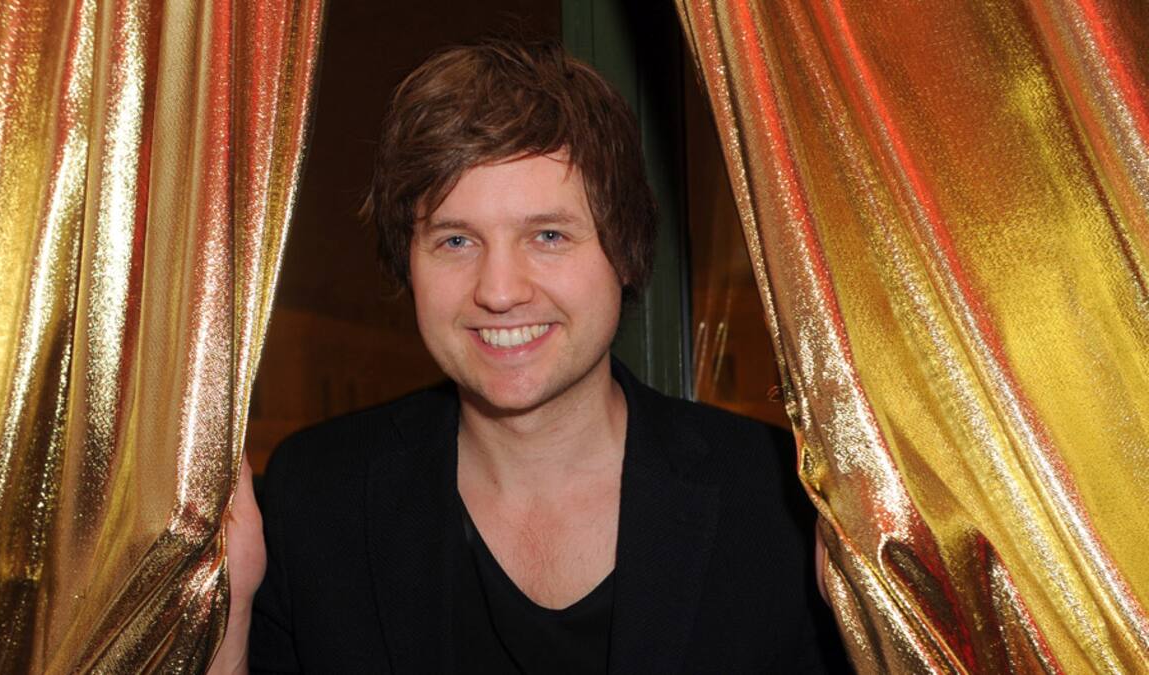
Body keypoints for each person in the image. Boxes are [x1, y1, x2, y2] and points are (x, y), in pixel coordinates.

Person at [211, 38, 842, 674]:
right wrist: (226, 620)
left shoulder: (781, 501)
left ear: (625, 252)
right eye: (456, 241)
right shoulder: (317, 498)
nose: (499, 291)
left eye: (548, 235)